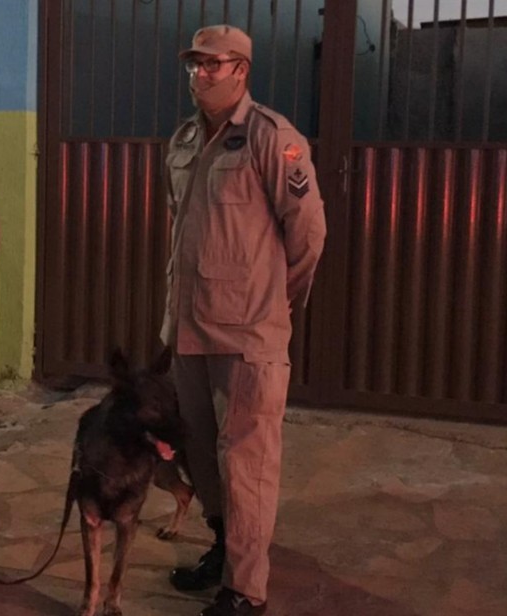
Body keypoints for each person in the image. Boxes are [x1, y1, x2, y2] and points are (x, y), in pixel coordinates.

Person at [160, 25, 326, 616]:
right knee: (201, 455)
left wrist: (276, 307)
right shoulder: (182, 141)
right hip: (188, 331)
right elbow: (183, 232)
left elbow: (307, 234)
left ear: (241, 71)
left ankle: (246, 589)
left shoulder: (271, 137)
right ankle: (223, 550)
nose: (200, 75)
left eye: (213, 65)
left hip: (248, 334)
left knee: (248, 462)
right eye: (194, 65)